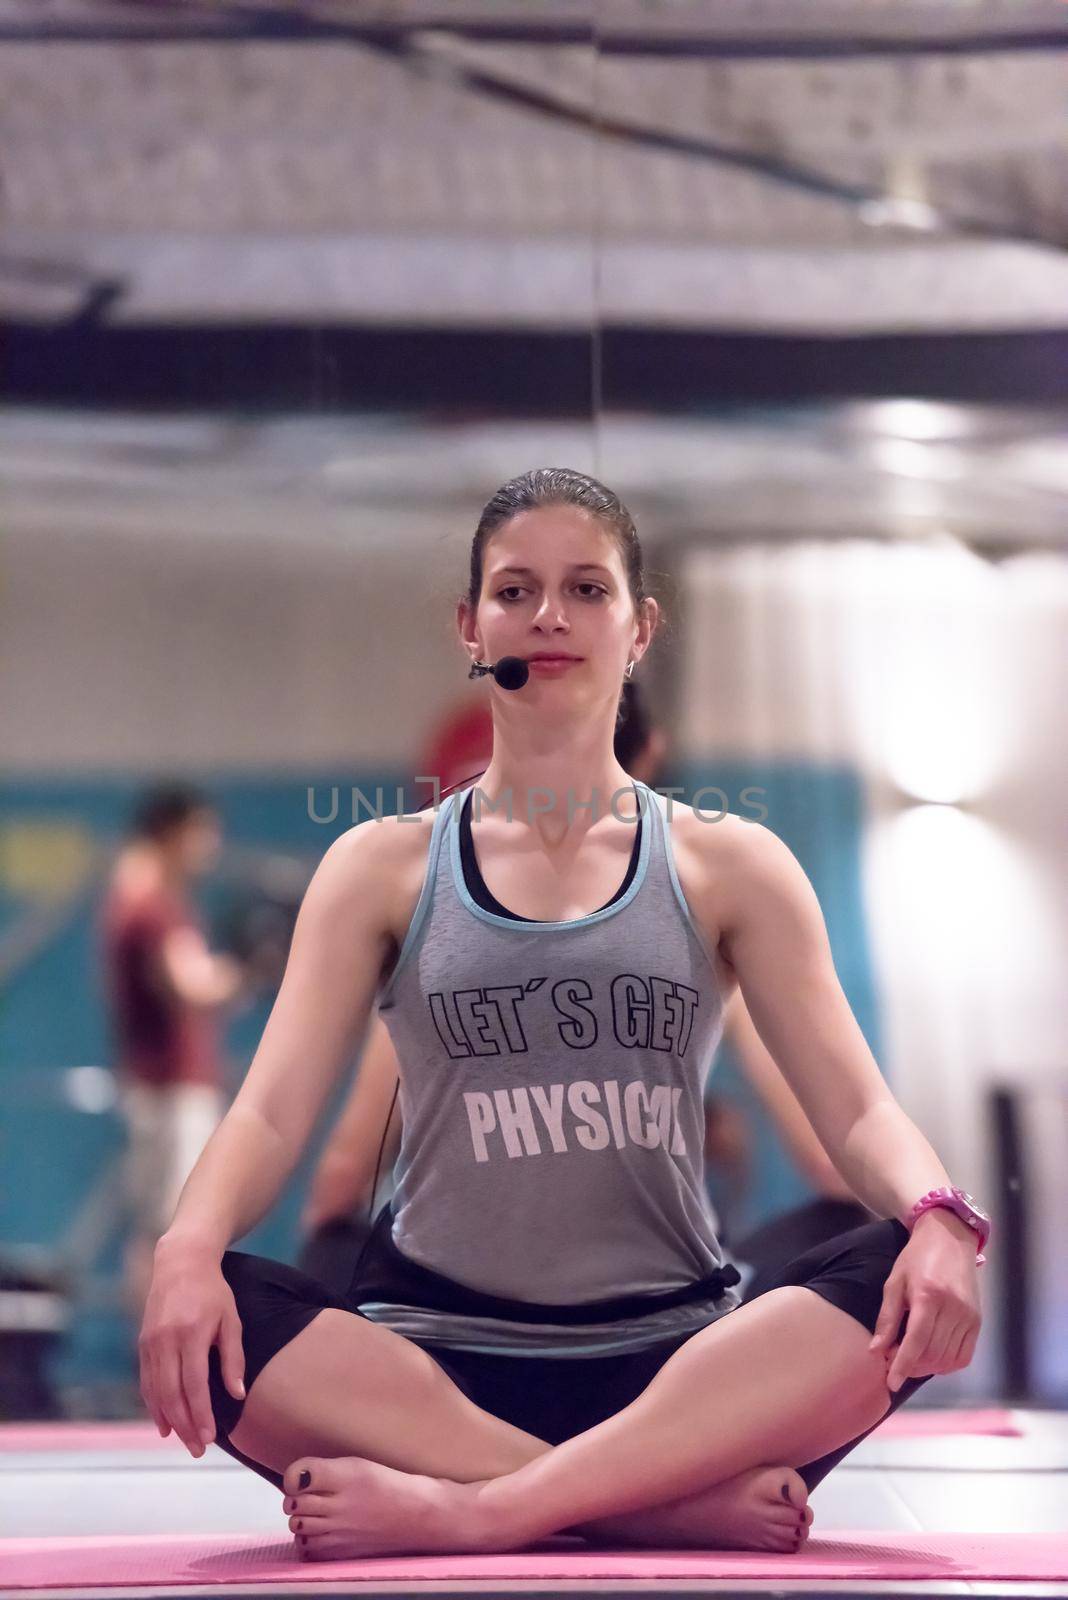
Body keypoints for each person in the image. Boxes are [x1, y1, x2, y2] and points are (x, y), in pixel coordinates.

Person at [138, 469, 988, 1564]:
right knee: (225, 1313)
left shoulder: (733, 865)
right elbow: (265, 1118)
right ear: (468, 625)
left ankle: (486, 1506)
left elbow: (860, 1109)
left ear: (640, 629)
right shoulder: (379, 868)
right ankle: (649, 1507)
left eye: (587, 589)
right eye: (515, 590)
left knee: (897, 1278)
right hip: (431, 1369)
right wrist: (185, 1250)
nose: (549, 615)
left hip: (679, 1367)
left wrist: (939, 1216)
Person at [296, 677, 864, 1298]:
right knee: (864, 1238)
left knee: (328, 1260)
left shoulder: (439, 950)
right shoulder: (704, 917)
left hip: (469, 1303)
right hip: (663, 1297)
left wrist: (325, 1265)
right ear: (649, 758)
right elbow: (831, 1163)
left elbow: (344, 1174)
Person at [99, 784, 246, 1326]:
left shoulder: (135, 895)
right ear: (172, 832)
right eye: (202, 831)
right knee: (175, 1231)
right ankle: (164, 1365)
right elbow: (196, 988)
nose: (210, 844)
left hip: (157, 1088)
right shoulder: (152, 903)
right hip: (169, 1091)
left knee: (158, 1230)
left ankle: (157, 1365)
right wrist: (255, 965)